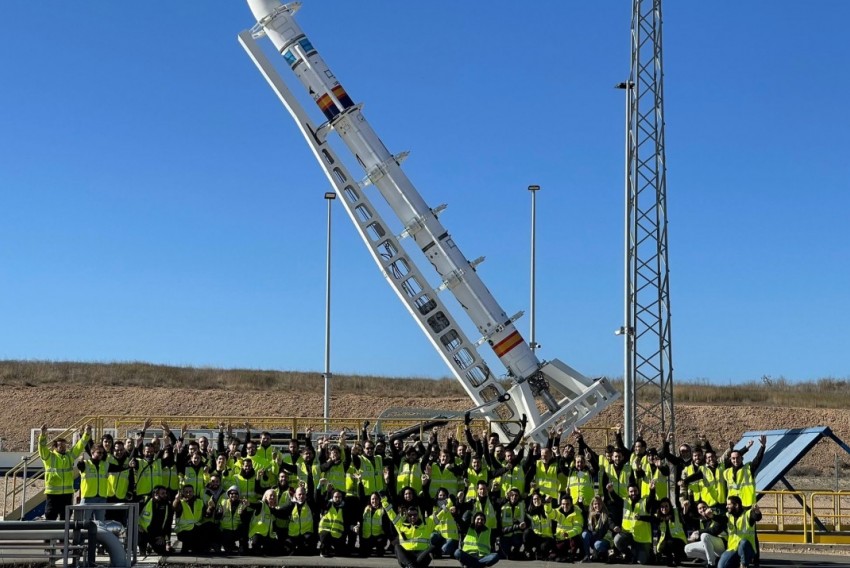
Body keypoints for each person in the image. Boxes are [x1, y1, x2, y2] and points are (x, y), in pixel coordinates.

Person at [38, 423, 90, 521]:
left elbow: (80, 445)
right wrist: (43, 435)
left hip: (67, 494)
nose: (63, 447)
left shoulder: (69, 456)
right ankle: (50, 536)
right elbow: (42, 447)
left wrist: (86, 435)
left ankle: (63, 536)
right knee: (50, 516)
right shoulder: (49, 457)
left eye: (64, 445)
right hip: (53, 494)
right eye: (60, 446)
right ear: (54, 447)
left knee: (66, 517)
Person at [612, 481, 655, 564]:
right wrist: (611, 491)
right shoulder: (625, 502)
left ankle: (647, 552)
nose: (633, 493)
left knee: (641, 561)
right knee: (617, 539)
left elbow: (651, 499)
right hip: (629, 535)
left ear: (638, 491)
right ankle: (629, 553)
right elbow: (617, 499)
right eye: (631, 491)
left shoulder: (644, 502)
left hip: (642, 539)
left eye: (635, 491)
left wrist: (652, 490)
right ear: (628, 492)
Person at [718, 497, 761, 568]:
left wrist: (757, 512)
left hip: (748, 549)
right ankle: (736, 563)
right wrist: (712, 516)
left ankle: (743, 565)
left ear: (736, 505)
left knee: (743, 542)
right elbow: (719, 521)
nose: (726, 506)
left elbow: (756, 517)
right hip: (733, 548)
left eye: (729, 504)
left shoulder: (747, 514)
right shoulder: (728, 515)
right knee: (721, 566)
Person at [685, 500, 728, 568]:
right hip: (711, 546)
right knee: (687, 549)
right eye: (700, 508)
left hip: (722, 545)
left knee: (704, 536)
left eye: (704, 507)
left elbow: (714, 530)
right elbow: (687, 520)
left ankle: (711, 564)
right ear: (698, 511)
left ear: (708, 507)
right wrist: (685, 508)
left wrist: (698, 532)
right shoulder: (701, 520)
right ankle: (714, 559)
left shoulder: (716, 514)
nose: (702, 509)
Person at [77, 443, 110, 521]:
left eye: (102, 453)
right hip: (88, 498)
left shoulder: (105, 464)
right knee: (84, 522)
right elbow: (79, 466)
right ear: (92, 453)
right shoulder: (85, 463)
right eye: (99, 452)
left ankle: (97, 534)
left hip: (101, 498)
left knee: (100, 523)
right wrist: (80, 461)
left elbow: (119, 468)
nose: (101, 455)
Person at [138, 485, 174, 555]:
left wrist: (163, 537)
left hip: (156, 534)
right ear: (156, 494)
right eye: (162, 493)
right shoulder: (145, 501)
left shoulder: (167, 505)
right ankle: (143, 549)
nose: (165, 495)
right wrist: (138, 526)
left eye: (165, 493)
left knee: (161, 550)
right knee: (139, 537)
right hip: (143, 531)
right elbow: (134, 514)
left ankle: (151, 546)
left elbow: (168, 524)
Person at [172, 484, 207, 554]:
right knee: (188, 540)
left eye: (190, 491)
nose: (188, 493)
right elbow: (175, 508)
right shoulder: (180, 503)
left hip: (196, 528)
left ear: (193, 492)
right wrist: (176, 500)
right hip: (183, 530)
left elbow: (206, 514)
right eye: (186, 492)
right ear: (183, 493)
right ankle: (185, 550)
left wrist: (210, 508)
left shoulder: (199, 502)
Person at [215, 485, 251, 554]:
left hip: (237, 531)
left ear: (238, 494)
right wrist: (219, 512)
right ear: (228, 494)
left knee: (244, 528)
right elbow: (217, 517)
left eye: (236, 493)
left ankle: (241, 546)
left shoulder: (243, 504)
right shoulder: (223, 502)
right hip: (225, 531)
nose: (233, 495)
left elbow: (246, 521)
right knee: (228, 550)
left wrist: (242, 514)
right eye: (231, 493)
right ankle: (224, 545)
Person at [655, 497, 688, 567]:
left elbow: (684, 513)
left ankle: (677, 558)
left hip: (679, 541)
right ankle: (669, 558)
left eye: (666, 506)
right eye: (662, 507)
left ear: (670, 506)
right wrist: (657, 549)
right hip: (665, 542)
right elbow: (659, 534)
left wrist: (685, 506)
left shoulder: (676, 512)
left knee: (671, 543)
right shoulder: (659, 517)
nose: (664, 508)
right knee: (664, 545)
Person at [551, 493, 584, 562]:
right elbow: (549, 513)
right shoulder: (557, 512)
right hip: (561, 539)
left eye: (567, 504)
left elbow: (578, 528)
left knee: (576, 539)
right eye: (563, 504)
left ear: (571, 504)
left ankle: (573, 554)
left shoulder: (577, 513)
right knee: (555, 554)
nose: (565, 506)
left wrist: (568, 534)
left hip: (572, 539)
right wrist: (547, 503)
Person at [583, 495, 615, 562]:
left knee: (597, 544)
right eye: (595, 504)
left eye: (599, 503)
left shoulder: (607, 514)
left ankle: (609, 553)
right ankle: (587, 556)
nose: (597, 506)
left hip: (604, 540)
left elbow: (610, 522)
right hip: (594, 539)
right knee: (584, 534)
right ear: (592, 505)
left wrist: (614, 527)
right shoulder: (590, 515)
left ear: (602, 504)